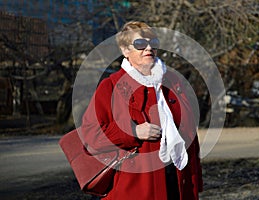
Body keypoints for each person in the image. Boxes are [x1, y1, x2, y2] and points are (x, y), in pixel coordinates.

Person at [80, 21, 203, 200]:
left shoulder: (173, 82)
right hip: (134, 188)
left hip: (177, 182)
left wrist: (195, 180)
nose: (148, 48)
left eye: (153, 43)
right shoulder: (111, 86)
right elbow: (91, 134)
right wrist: (133, 131)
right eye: (140, 44)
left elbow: (190, 134)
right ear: (125, 50)